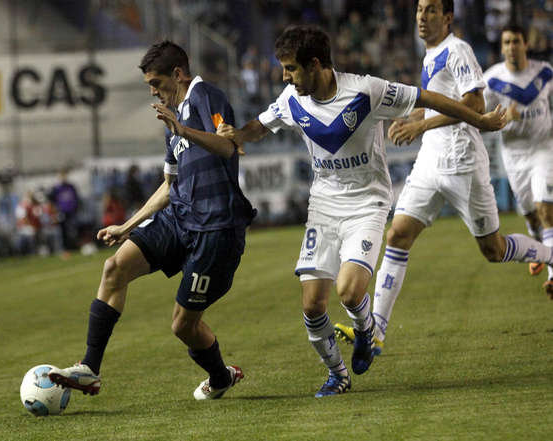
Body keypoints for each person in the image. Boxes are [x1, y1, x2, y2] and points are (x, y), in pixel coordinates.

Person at [217, 24, 507, 397]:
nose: (284, 76)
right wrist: (237, 135)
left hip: (368, 201)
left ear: (316, 64)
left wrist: (479, 119)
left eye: (290, 68)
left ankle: (366, 330)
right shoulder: (292, 98)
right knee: (311, 305)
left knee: (350, 292)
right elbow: (260, 126)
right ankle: (338, 375)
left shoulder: (367, 90)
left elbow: (429, 98)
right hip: (323, 204)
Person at [335, 0, 553, 357]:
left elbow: (474, 105)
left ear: (448, 18)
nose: (422, 15)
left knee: (493, 249)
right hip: (431, 160)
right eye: (420, 9)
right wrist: (415, 116)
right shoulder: (431, 54)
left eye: (432, 10)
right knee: (398, 234)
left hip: (463, 163)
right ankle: (376, 331)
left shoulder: (458, 50)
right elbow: (444, 101)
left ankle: (550, 253)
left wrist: (421, 124)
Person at [48, 41, 255, 401]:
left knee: (183, 325)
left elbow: (228, 147)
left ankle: (221, 376)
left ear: (178, 74)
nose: (154, 92)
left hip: (216, 230)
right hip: (180, 217)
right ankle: (89, 370)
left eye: (157, 83)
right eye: (150, 86)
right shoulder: (170, 121)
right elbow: (169, 184)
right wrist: (127, 225)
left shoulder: (206, 97)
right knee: (115, 268)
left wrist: (183, 129)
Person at [483, 24, 553, 298]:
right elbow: (479, 119)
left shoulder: (545, 73)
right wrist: (504, 119)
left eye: (516, 41)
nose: (512, 46)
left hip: (543, 148)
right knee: (531, 216)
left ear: (526, 44)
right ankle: (539, 248)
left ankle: (552, 275)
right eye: (507, 42)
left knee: (545, 209)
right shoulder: (491, 81)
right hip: (513, 155)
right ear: (502, 48)